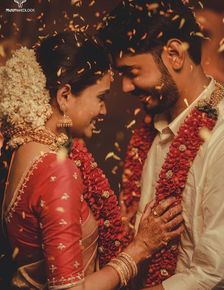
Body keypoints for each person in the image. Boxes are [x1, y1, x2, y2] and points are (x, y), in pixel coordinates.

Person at [0, 31, 184, 290]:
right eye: (101, 97)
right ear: (65, 96)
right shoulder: (58, 169)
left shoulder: (22, 147)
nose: (104, 110)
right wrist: (140, 247)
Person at [99, 0, 224, 289]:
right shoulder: (153, 126)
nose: (124, 88)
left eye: (132, 72)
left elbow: (215, 274)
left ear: (174, 54)